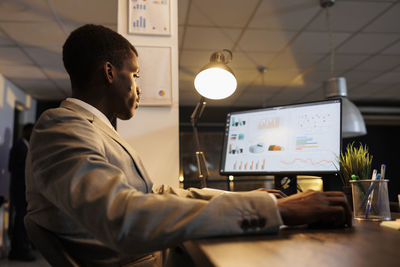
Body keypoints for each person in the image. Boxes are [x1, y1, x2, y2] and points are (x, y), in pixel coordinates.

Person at [25, 24, 351, 267]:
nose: (138, 87)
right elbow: (122, 217)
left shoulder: (92, 129)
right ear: (109, 73)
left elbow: (155, 194)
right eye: (135, 75)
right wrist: (274, 211)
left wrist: (248, 199)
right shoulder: (61, 127)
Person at [8, 123, 35, 261]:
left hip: (21, 190)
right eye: (31, 131)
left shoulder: (25, 146)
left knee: (20, 219)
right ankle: (20, 250)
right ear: (26, 132)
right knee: (20, 220)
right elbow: (13, 167)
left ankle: (17, 250)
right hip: (20, 190)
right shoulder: (20, 146)